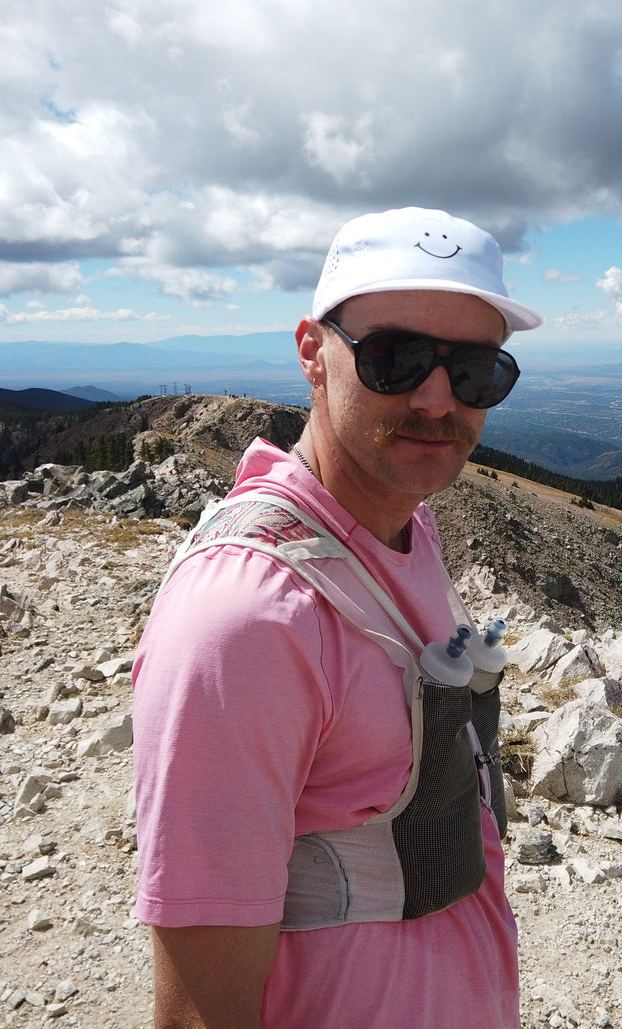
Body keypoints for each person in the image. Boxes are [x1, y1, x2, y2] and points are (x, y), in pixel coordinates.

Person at [132, 206, 542, 1027]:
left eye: (474, 372)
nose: (437, 398)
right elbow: (198, 1014)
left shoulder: (403, 527)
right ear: (313, 355)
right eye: (395, 358)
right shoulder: (244, 619)